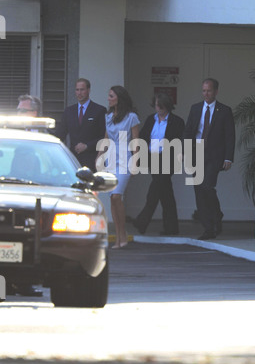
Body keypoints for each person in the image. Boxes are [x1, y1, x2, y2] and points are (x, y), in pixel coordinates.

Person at [183, 78, 235, 240]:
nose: (206, 94)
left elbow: (230, 136)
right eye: (204, 90)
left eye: (209, 91)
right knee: (199, 190)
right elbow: (189, 131)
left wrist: (228, 158)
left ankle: (216, 215)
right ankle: (208, 227)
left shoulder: (224, 110)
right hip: (196, 153)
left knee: (207, 187)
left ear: (216, 91)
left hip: (214, 155)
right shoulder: (196, 108)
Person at [132, 92, 185, 235]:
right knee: (165, 193)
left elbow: (182, 142)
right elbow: (143, 138)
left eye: (160, 106)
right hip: (153, 159)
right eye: (156, 105)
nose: (158, 109)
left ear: (167, 106)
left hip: (168, 160)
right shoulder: (151, 119)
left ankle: (142, 220)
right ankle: (171, 228)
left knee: (154, 191)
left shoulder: (177, 121)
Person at [6, 95, 43, 298]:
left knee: (28, 242)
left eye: (22, 111)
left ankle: (24, 284)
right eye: (17, 110)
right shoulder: (9, 134)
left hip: (35, 194)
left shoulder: (45, 136)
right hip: (9, 193)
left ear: (34, 113)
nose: (18, 114)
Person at [96, 86, 140, 249]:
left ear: (119, 98)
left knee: (116, 196)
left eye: (111, 96)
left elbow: (136, 141)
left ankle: (124, 234)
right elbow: (106, 139)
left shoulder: (132, 117)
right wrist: (99, 155)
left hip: (125, 158)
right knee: (112, 200)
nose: (108, 98)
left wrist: (135, 162)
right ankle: (119, 237)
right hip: (111, 160)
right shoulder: (108, 116)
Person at [56, 78, 106, 171]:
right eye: (77, 90)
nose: (79, 93)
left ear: (88, 90)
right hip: (73, 159)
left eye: (82, 90)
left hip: (92, 159)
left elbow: (104, 137)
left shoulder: (99, 110)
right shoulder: (69, 111)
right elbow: (60, 134)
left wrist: (87, 146)